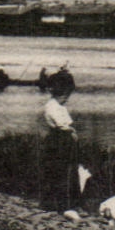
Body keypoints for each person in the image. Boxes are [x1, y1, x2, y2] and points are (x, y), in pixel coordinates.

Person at [37, 83, 83, 215]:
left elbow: (69, 123)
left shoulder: (60, 106)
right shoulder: (51, 106)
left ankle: (71, 203)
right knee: (59, 170)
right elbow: (62, 125)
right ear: (58, 95)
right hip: (58, 139)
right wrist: (71, 131)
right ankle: (56, 203)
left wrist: (72, 131)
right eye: (65, 96)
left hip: (65, 138)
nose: (66, 99)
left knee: (70, 169)